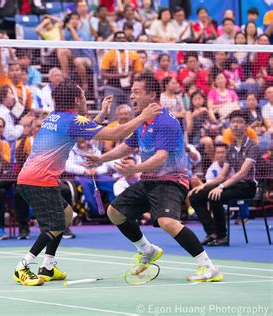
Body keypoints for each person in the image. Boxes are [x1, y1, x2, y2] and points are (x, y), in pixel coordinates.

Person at [13, 80, 162, 286]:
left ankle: (47, 266)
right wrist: (143, 117)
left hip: (32, 178)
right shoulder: (73, 121)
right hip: (39, 181)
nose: (85, 98)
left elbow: (84, 128)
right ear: (76, 100)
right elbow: (115, 133)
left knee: (65, 214)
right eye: (83, 96)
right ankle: (23, 266)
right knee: (56, 225)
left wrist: (100, 115)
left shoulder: (54, 117)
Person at [87, 73, 223, 282]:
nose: (132, 96)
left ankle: (207, 267)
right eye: (131, 92)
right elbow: (126, 146)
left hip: (171, 180)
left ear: (151, 95)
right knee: (115, 212)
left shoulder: (166, 122)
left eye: (136, 92)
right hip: (150, 181)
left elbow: (161, 157)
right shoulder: (142, 121)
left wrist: (134, 169)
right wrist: (101, 159)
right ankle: (147, 250)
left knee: (167, 221)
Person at [189, 110, 259, 246]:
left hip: (247, 186)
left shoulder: (252, 146)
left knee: (215, 196)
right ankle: (212, 233)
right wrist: (202, 186)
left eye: (239, 122)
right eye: (233, 122)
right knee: (195, 197)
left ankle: (222, 236)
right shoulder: (231, 148)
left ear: (246, 126)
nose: (235, 125)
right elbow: (222, 175)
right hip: (233, 184)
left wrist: (220, 187)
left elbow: (242, 173)